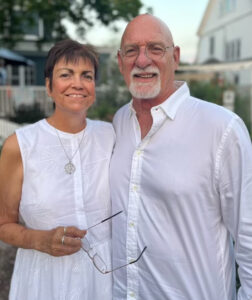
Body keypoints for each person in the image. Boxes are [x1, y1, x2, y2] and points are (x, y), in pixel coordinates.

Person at [110, 14, 252, 300]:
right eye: (131, 50)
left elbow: (249, 236)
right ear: (120, 61)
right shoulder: (119, 123)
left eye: (155, 48)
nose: (142, 60)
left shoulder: (221, 129)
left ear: (175, 56)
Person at [0, 39, 114, 300]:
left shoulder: (111, 136)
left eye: (87, 76)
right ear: (49, 86)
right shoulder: (20, 146)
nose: (78, 83)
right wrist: (41, 240)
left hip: (104, 278)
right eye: (65, 75)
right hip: (44, 280)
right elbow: (2, 224)